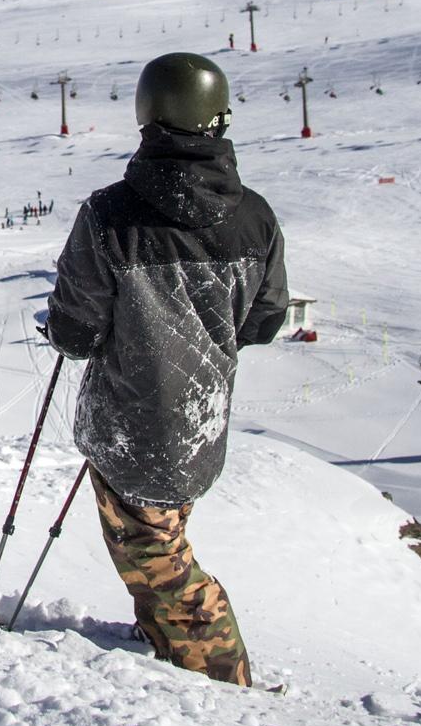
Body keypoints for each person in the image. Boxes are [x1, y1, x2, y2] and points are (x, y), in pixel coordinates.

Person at [41, 52, 288, 686]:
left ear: (147, 117)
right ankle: (165, 641)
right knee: (165, 536)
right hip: (201, 427)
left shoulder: (110, 216)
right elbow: (263, 321)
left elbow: (76, 330)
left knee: (161, 563)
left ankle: (219, 677)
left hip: (129, 431)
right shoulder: (256, 217)